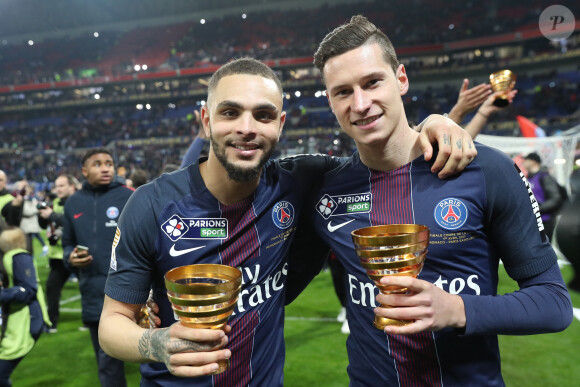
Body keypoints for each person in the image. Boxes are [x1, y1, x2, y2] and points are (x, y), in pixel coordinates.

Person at [99, 57, 475, 386]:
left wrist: (438, 121)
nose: (247, 127)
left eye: (262, 115)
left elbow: (383, 159)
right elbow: (112, 324)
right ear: (206, 121)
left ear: (280, 125)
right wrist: (157, 344)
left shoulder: (300, 181)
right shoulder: (151, 205)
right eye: (230, 112)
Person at [285, 15, 572, 386]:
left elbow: (553, 303)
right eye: (343, 91)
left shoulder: (485, 170)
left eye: (373, 82)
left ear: (401, 79)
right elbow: (278, 289)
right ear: (331, 101)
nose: (360, 103)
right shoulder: (325, 190)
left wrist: (458, 310)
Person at [62, 149, 133, 387]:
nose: (105, 168)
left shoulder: (129, 196)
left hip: (131, 292)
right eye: (98, 164)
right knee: (106, 361)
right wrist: (69, 258)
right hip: (93, 291)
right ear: (84, 171)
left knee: (154, 360)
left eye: (109, 163)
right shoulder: (73, 203)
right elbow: (67, 244)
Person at [0, 226, 51, 387]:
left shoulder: (19, 257)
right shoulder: (15, 257)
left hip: (25, 320)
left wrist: (4, 294)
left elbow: (28, 290)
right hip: (16, 319)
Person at [37, 174, 78, 333]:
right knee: (52, 286)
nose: (58, 189)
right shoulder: (52, 203)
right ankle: (51, 322)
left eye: (62, 185)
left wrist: (51, 215)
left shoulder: (76, 202)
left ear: (71, 187)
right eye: (56, 186)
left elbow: (73, 221)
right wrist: (40, 214)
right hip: (57, 256)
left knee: (88, 288)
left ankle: (93, 320)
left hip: (75, 254)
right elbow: (42, 225)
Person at [522, 152, 566, 240]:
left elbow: (555, 199)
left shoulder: (545, 177)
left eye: (526, 160)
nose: (524, 162)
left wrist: (538, 208)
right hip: (534, 220)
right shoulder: (529, 178)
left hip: (545, 220)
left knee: (544, 249)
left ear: (533, 161)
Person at [19, 183, 47, 255]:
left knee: (34, 235)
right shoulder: (24, 197)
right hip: (27, 222)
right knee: (31, 236)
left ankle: (43, 247)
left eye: (28, 189)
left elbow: (38, 206)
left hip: (31, 221)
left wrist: (36, 206)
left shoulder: (32, 197)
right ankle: (41, 247)